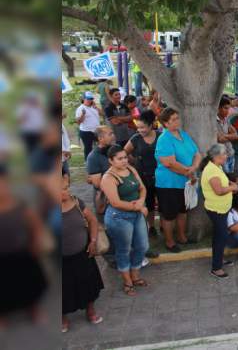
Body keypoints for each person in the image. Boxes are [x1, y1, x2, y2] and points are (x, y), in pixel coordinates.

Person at [100, 146, 150, 297]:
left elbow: (142, 188)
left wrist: (141, 201)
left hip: (136, 214)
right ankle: (127, 281)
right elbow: (115, 202)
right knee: (124, 250)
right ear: (111, 161)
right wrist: (139, 208)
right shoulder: (108, 178)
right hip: (119, 217)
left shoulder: (131, 169)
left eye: (125, 157)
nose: (124, 161)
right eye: (119, 158)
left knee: (142, 246)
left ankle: (135, 275)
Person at [61, 172, 104, 333]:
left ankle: (90, 310)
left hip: (82, 253)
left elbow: (92, 220)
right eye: (62, 189)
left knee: (88, 283)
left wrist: (93, 241)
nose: (66, 192)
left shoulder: (76, 202)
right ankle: (62, 317)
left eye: (66, 188)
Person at [155, 108, 201, 253]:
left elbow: (197, 153)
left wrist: (193, 167)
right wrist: (188, 171)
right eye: (172, 119)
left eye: (177, 118)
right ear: (165, 123)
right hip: (168, 183)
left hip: (185, 181)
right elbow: (169, 163)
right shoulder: (164, 139)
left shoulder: (183, 134)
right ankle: (169, 241)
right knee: (169, 214)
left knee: (183, 211)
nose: (176, 121)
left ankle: (181, 236)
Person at [201, 144, 238, 278]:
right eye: (224, 154)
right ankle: (216, 268)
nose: (226, 156)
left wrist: (230, 184)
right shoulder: (211, 170)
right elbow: (219, 191)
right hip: (216, 209)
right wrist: (233, 188)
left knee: (219, 236)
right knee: (221, 236)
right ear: (217, 156)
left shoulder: (217, 166)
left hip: (221, 208)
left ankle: (218, 258)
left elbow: (224, 181)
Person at [124, 110, 160, 241]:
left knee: (162, 201)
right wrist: (133, 161)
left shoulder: (161, 136)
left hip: (161, 175)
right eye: (138, 127)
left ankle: (163, 225)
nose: (140, 130)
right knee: (149, 202)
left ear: (151, 125)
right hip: (143, 176)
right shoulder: (136, 138)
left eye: (143, 127)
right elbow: (124, 153)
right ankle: (151, 227)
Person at [86, 126, 115, 217]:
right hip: (106, 199)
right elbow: (97, 184)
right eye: (110, 134)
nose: (113, 136)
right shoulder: (93, 157)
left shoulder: (116, 149)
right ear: (100, 138)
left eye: (112, 133)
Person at [75, 92, 102, 159]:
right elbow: (78, 122)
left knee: (101, 146)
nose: (90, 100)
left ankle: (98, 159)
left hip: (96, 131)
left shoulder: (94, 107)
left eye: (91, 98)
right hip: (86, 131)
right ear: (83, 99)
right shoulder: (80, 108)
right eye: (88, 99)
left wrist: (96, 107)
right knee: (88, 148)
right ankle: (88, 162)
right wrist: (83, 114)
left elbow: (103, 114)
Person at [216, 97, 238, 174]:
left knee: (231, 178)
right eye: (225, 108)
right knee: (224, 180)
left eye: (228, 108)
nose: (228, 111)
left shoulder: (226, 120)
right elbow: (220, 139)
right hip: (220, 156)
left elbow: (236, 135)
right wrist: (230, 136)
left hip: (230, 153)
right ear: (218, 108)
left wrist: (226, 136)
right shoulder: (213, 121)